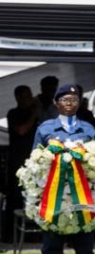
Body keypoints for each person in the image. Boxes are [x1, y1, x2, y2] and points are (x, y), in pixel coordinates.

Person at [31, 84, 95, 254]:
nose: (69, 103)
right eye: (65, 99)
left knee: (85, 245)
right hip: (54, 197)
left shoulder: (88, 129)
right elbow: (35, 162)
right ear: (56, 103)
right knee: (51, 245)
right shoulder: (45, 128)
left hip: (81, 197)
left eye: (74, 99)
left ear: (80, 103)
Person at [5, 85, 39, 223]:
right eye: (26, 97)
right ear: (18, 98)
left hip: (33, 158)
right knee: (15, 195)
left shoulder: (35, 114)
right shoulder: (13, 113)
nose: (30, 100)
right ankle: (9, 231)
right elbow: (21, 130)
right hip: (18, 159)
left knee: (33, 195)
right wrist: (34, 115)